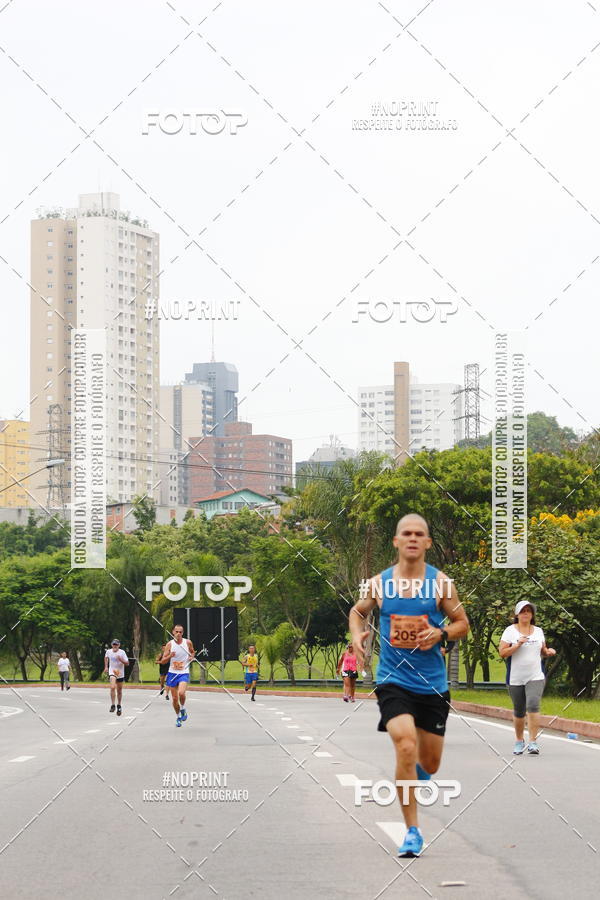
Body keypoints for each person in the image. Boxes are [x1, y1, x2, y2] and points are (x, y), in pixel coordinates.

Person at [350, 513, 469, 858]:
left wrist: (441, 633)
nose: (413, 538)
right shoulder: (378, 583)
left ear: (427, 542)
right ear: (396, 541)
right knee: (405, 745)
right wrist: (357, 635)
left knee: (429, 764)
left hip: (432, 684)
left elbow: (462, 623)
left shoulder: (441, 584)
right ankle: (413, 831)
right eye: (407, 533)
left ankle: (414, 777)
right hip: (393, 680)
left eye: (419, 534)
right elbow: (357, 612)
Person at [499, 601, 556, 755]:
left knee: (533, 705)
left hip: (535, 676)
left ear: (532, 614)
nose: (525, 613)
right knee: (519, 711)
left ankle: (533, 742)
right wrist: (517, 645)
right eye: (522, 611)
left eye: (528, 611)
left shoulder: (538, 631)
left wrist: (548, 652)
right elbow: (502, 653)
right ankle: (519, 741)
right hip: (515, 677)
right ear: (517, 614)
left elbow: (543, 651)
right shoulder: (510, 631)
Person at [160, 625, 195, 726]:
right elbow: (163, 661)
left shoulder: (187, 642)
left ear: (182, 633)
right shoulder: (169, 644)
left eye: (180, 632)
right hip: (172, 673)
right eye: (177, 632)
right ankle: (178, 716)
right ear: (173, 632)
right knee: (175, 699)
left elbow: (192, 652)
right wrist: (170, 656)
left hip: (183, 672)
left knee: (181, 693)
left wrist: (191, 657)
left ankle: (183, 708)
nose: (178, 634)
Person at [103, 639, 129, 715]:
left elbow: (127, 663)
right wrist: (106, 667)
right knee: (112, 687)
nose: (115, 646)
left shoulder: (122, 652)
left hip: (120, 673)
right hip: (112, 671)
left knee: (119, 690)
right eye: (114, 644)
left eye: (116, 645)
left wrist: (121, 660)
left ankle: (119, 705)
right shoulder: (109, 651)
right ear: (112, 645)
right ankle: (113, 705)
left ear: (119, 645)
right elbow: (106, 658)